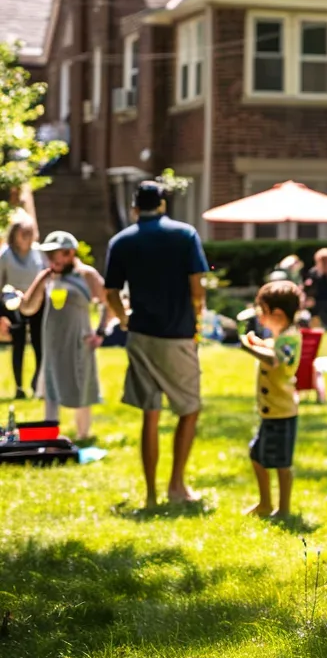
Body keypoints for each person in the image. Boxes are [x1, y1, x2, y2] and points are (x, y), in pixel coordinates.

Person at [103, 180, 209, 509]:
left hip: (142, 335)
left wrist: (124, 319)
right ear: (162, 205)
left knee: (151, 413)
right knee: (189, 409)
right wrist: (197, 319)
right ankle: (176, 486)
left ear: (135, 207)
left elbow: (110, 293)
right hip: (177, 335)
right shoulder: (185, 234)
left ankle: (150, 495)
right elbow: (197, 288)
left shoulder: (121, 241)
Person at [19, 231, 105, 440]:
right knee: (50, 386)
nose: (51, 259)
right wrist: (24, 294)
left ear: (70, 253)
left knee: (81, 384)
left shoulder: (87, 275)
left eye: (56, 254)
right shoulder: (47, 276)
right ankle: (50, 433)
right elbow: (28, 308)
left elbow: (106, 302)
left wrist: (100, 331)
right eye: (48, 254)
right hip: (53, 341)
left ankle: (83, 434)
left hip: (79, 339)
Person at [239, 280, 301, 518]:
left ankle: (283, 509)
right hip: (270, 411)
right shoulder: (282, 336)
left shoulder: (291, 338)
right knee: (257, 456)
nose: (260, 318)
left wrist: (249, 348)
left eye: (262, 312)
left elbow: (276, 359)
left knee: (282, 464)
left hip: (282, 413)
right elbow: (274, 349)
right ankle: (265, 503)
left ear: (277, 314)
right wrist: (259, 343)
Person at [0, 212, 47, 398]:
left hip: (38, 303)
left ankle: (38, 383)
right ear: (15, 234)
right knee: (18, 345)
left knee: (39, 344)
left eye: (30, 232)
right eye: (23, 232)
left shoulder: (39, 252)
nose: (27, 236)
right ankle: (19, 387)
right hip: (14, 305)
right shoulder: (5, 255)